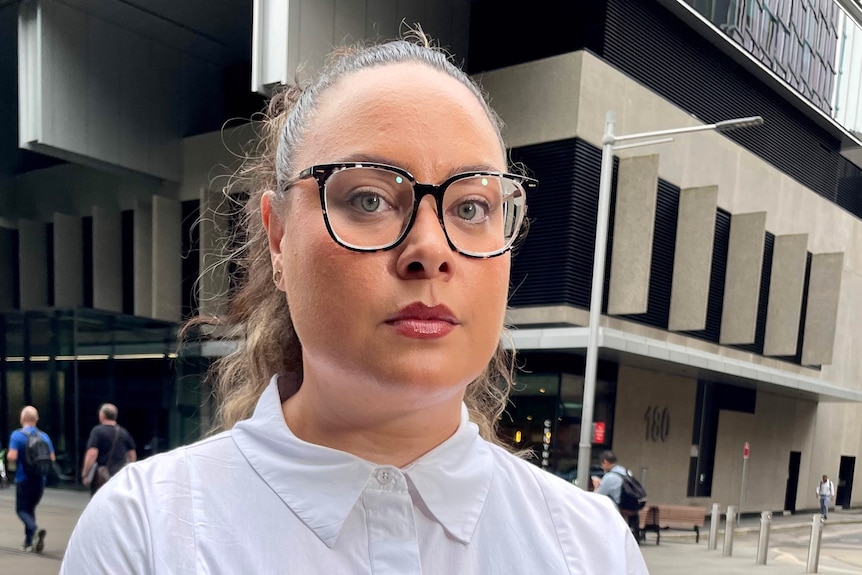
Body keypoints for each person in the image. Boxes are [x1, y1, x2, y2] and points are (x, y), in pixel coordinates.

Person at [60, 34, 648, 574]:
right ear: (279, 238)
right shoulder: (146, 534)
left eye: (471, 207)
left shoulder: (592, 548)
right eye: (367, 198)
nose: (431, 250)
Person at [7, 405, 55, 553]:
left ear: (22, 419)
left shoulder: (17, 435)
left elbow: (12, 456)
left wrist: (10, 457)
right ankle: (29, 542)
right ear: (36, 419)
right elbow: (52, 458)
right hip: (40, 479)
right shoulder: (44, 436)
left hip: (24, 478)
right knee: (30, 509)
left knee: (21, 509)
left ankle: (35, 530)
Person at [81, 403, 137, 495]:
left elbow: (92, 454)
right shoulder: (123, 432)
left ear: (102, 415)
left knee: (100, 502)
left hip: (102, 476)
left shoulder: (97, 431)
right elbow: (132, 454)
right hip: (119, 476)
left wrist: (85, 473)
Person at [594, 450, 641, 537]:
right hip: (632, 508)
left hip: (618, 510)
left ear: (605, 462)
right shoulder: (627, 471)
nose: (602, 467)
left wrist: (597, 486)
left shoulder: (609, 477)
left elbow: (598, 496)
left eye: (602, 464)